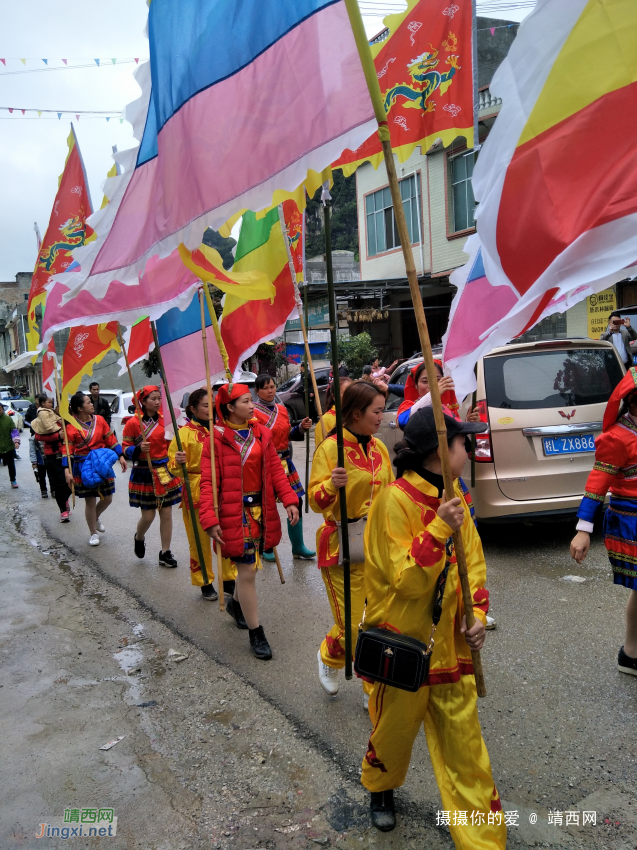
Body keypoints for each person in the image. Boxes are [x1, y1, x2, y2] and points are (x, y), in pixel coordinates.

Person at [360, 408, 504, 844]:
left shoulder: (456, 498)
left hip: (453, 652)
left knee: (467, 753)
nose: (471, 447)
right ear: (440, 452)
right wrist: (441, 526)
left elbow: (473, 570)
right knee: (393, 735)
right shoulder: (394, 501)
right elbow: (405, 581)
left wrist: (476, 617)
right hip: (401, 646)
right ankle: (381, 788)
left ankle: (482, 839)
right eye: (464, 442)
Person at [198, 383, 299, 660]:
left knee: (249, 571)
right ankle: (256, 632)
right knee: (248, 572)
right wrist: (209, 519)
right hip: (233, 512)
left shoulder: (261, 433)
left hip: (261, 512)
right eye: (245, 401)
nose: (252, 404)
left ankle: (235, 605)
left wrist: (289, 499)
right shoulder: (214, 439)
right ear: (229, 408)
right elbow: (207, 483)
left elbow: (276, 471)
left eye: (250, 400)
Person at [309, 381, 393, 703]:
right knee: (354, 627)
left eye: (382, 410)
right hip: (342, 546)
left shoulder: (379, 448)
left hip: (377, 545)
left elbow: (390, 494)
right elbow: (315, 503)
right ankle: (331, 659)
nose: (381, 417)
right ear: (356, 413)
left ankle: (369, 685)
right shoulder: (331, 449)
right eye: (376, 411)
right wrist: (331, 485)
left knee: (377, 621)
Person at [571, 368, 637, 676]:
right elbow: (597, 485)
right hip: (630, 523)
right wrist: (583, 531)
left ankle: (631, 653)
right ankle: (631, 654)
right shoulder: (617, 438)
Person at [168, 388, 236, 601]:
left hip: (225, 489)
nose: (210, 409)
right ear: (193, 408)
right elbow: (173, 467)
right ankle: (205, 580)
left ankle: (229, 577)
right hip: (197, 490)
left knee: (226, 535)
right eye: (206, 405)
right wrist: (178, 462)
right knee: (199, 540)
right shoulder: (184, 434)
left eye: (212, 404)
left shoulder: (223, 428)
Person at [253, 374, 316, 560]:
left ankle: (298, 547)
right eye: (265, 388)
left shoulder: (281, 409)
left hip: (285, 461)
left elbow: (288, 434)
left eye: (272, 386)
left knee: (296, 501)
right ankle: (266, 547)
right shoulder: (253, 413)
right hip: (265, 463)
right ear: (257, 391)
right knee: (267, 504)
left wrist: (302, 429)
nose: (270, 390)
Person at [122, 386, 182, 568]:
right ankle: (139, 537)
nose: (157, 402)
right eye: (153, 399)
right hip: (143, 472)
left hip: (164, 471)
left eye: (158, 399)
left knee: (166, 513)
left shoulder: (167, 421)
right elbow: (125, 448)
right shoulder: (133, 423)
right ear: (143, 402)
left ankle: (165, 552)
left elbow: (173, 445)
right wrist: (138, 449)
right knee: (148, 516)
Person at [63, 392, 127, 545]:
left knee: (108, 498)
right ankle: (93, 533)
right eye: (87, 402)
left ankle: (95, 517)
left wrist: (121, 456)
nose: (92, 404)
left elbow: (110, 439)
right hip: (82, 466)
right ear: (79, 408)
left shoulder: (100, 420)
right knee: (90, 501)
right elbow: (67, 451)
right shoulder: (71, 427)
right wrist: (67, 471)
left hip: (101, 463)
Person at [32, 407, 72, 521]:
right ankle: (63, 510)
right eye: (58, 406)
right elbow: (38, 436)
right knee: (59, 484)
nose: (60, 408)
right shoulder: (46, 419)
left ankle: (65, 499)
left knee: (71, 483)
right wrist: (57, 436)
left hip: (69, 454)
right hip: (53, 456)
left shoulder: (70, 419)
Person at [314, 374, 353, 448]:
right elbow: (321, 453)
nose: (350, 396)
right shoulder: (325, 421)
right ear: (333, 396)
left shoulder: (358, 417)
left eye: (352, 392)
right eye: (346, 393)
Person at [0, 402, 20, 489]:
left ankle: (13, 480)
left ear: (2, 409)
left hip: (9, 446)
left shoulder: (8, 419)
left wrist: (16, 441)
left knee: (11, 465)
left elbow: (14, 431)